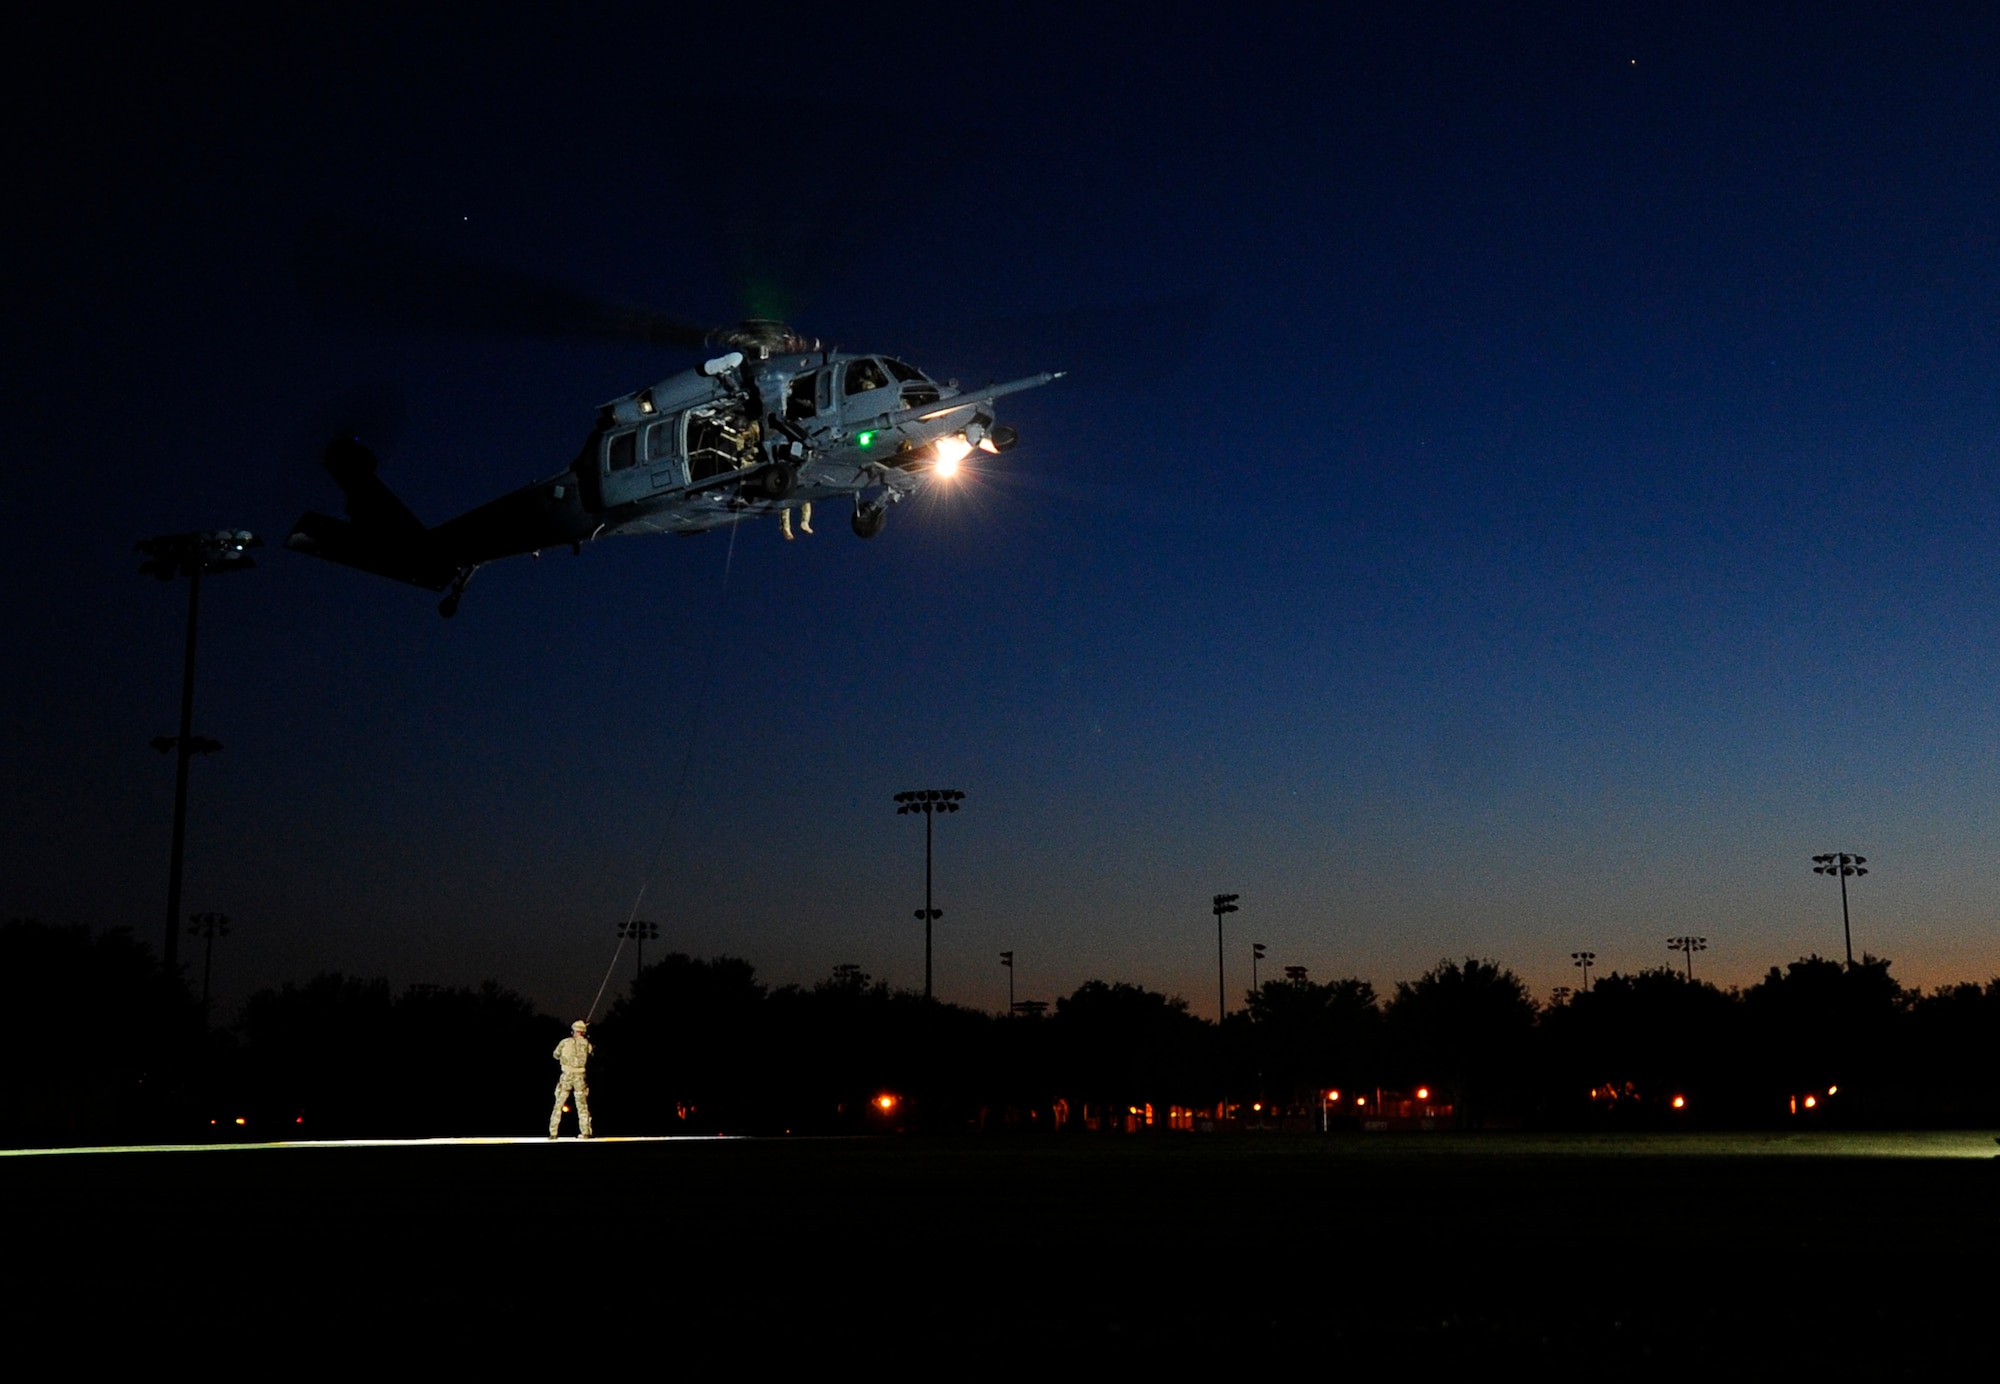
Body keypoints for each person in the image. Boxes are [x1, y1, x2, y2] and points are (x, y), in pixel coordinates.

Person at [549, 1020, 594, 1140]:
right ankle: (585, 1132)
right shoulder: (587, 1043)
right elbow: (592, 1054)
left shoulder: (565, 1042)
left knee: (559, 1104)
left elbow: (555, 1055)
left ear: (573, 1030)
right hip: (580, 1077)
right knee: (582, 1105)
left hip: (566, 1076)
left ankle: (553, 1132)